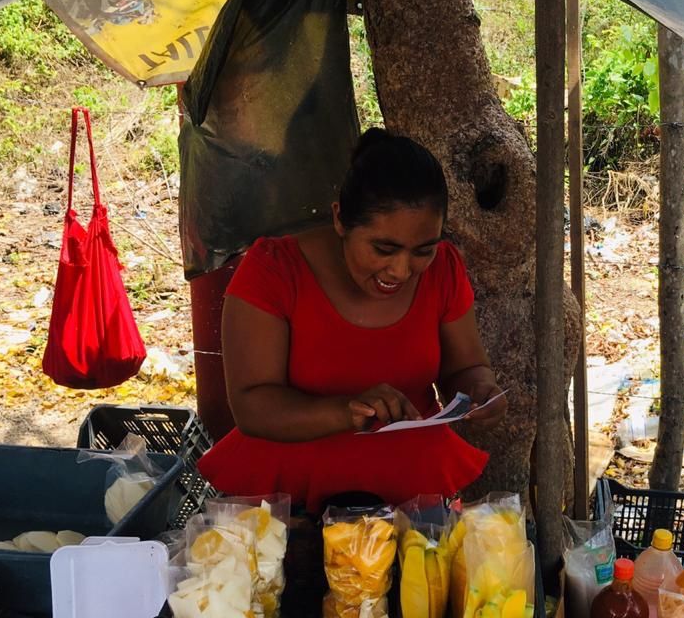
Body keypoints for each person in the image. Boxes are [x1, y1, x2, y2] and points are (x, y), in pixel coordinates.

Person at [198, 128, 507, 512]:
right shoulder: (273, 271)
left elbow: (466, 367)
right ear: (340, 219)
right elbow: (252, 405)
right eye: (383, 249)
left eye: (422, 251)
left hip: (410, 492)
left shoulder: (443, 269)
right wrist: (347, 411)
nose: (401, 270)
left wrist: (480, 390)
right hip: (288, 502)